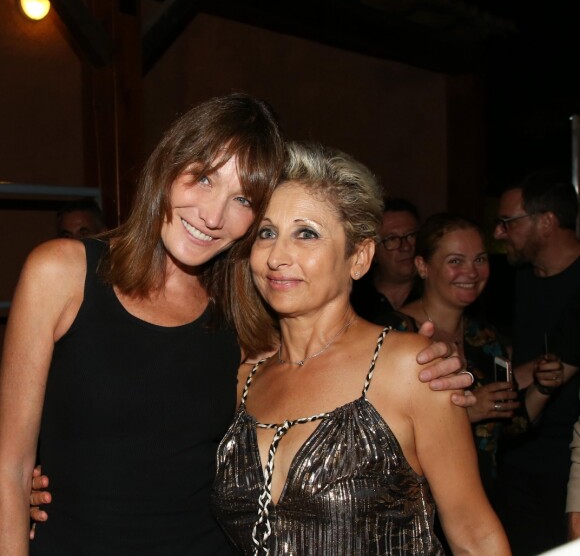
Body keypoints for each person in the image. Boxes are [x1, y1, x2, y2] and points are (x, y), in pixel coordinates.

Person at [1, 94, 471, 555]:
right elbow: (10, 465)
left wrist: (429, 370)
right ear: (168, 165)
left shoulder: (242, 314)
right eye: (203, 178)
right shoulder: (62, 273)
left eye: (242, 198)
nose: (212, 215)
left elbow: (326, 371)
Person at [211, 142, 510, 555]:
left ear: (360, 256)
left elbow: (475, 536)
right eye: (267, 233)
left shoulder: (413, 369)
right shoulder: (244, 375)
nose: (277, 256)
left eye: (306, 234)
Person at [391, 212, 562, 504]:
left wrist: (543, 388)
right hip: (416, 510)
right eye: (455, 261)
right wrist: (468, 413)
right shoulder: (397, 335)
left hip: (482, 501)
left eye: (480, 259)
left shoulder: (484, 338)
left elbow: (511, 425)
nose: (472, 272)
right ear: (423, 266)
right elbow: (380, 433)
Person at [493, 172, 580, 554]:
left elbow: (554, 364)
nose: (498, 233)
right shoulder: (516, 278)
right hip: (513, 454)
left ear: (546, 222)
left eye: (509, 222)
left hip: (565, 464)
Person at [350, 196, 421, 324]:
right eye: (392, 239)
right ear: (371, 251)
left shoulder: (436, 293)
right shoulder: (353, 297)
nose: (405, 247)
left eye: (411, 236)